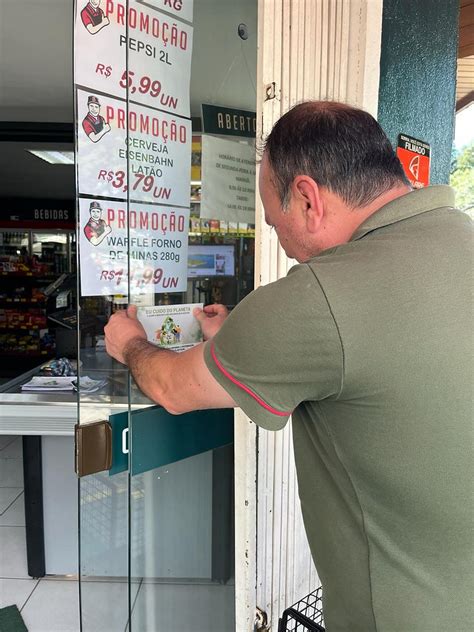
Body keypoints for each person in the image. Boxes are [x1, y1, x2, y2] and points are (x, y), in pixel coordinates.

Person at [104, 101, 473, 631]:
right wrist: (238, 337)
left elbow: (173, 387)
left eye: (276, 226)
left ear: (307, 199)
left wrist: (131, 342)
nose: (285, 247)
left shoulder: (321, 295)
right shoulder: (459, 238)